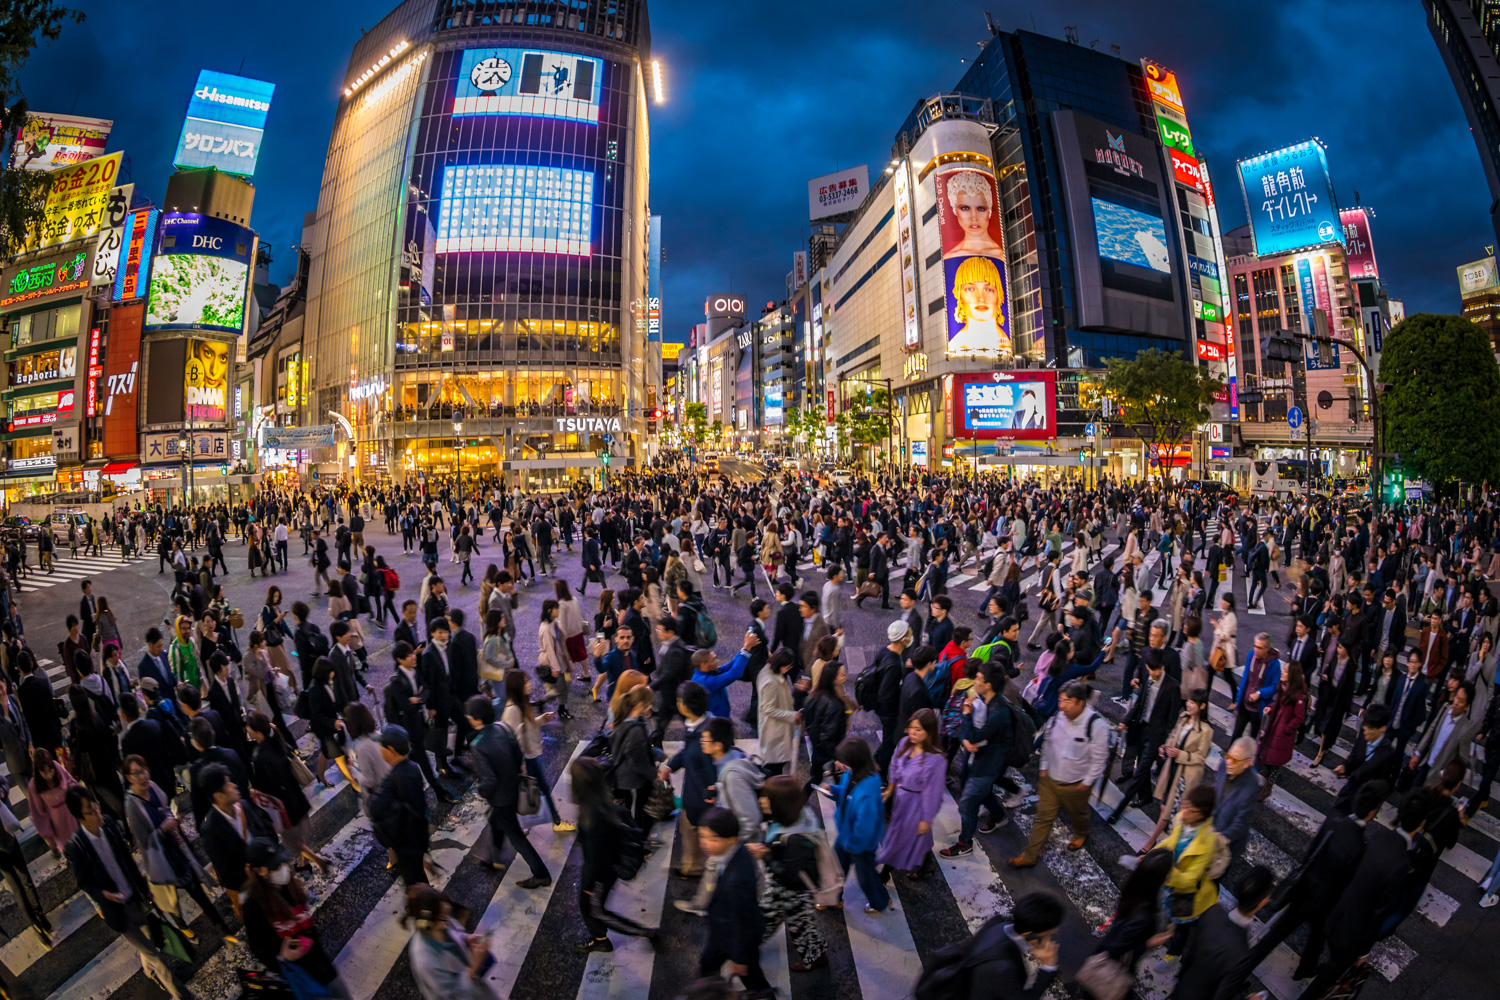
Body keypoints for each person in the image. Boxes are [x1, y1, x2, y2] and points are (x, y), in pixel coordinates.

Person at [1296, 789, 1430, 1000]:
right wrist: (1364, 952)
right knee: (1325, 982)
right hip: (1352, 933)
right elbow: (1380, 912)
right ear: (1422, 822)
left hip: (1337, 913)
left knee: (1327, 970)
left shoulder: (1380, 836)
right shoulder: (1402, 864)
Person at [65, 785, 192, 999]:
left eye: (95, 805)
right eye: (90, 810)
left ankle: (148, 970)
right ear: (79, 817)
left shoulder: (110, 826)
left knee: (150, 944)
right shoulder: (78, 846)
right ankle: (183, 996)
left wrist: (144, 889)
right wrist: (102, 895)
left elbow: (128, 861)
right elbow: (84, 882)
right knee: (156, 956)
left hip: (134, 899)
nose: (97, 811)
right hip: (118, 912)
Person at [1249, 782, 1383, 977]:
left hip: (1307, 887)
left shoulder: (1336, 822)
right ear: (1372, 812)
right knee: (1316, 939)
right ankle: (1305, 969)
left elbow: (1313, 852)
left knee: (1277, 933)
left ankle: (1247, 965)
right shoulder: (1360, 846)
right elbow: (1347, 883)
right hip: (1325, 903)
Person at [122, 754, 234, 941]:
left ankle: (224, 931)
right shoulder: (132, 806)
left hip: (177, 850)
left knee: (196, 888)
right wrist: (163, 829)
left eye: (144, 770)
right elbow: (145, 843)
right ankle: (181, 925)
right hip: (160, 860)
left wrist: (171, 820)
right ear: (128, 777)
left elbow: (165, 809)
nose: (142, 776)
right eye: (136, 773)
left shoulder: (154, 787)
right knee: (171, 900)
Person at [241, 838, 354, 1000]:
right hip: (302, 978)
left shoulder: (290, 886)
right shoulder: (253, 906)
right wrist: (281, 957)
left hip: (323, 966)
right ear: (260, 871)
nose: (283, 869)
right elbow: (258, 947)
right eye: (274, 867)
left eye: (281, 863)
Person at [1011, 681, 1108, 867]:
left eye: (1067, 701)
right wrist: (1044, 766)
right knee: (1043, 818)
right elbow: (1047, 742)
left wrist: (1087, 782)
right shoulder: (1057, 718)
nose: (1061, 705)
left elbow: (1099, 758)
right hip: (1050, 781)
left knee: (1078, 813)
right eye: (1060, 700)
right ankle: (1030, 856)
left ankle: (1081, 832)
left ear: (1080, 703)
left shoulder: (1095, 725)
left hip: (1076, 784)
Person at [571, 756, 659, 953]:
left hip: (599, 875)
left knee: (595, 909)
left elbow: (595, 859)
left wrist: (590, 886)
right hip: (606, 868)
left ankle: (637, 933)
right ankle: (601, 936)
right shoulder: (603, 802)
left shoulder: (592, 818)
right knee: (593, 908)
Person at [467, 695, 553, 888]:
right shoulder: (503, 727)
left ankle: (541, 874)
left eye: (469, 716)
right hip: (515, 787)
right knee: (495, 821)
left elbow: (488, 780)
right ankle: (492, 858)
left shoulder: (477, 745)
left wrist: (481, 791)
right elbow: (516, 755)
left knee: (516, 837)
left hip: (501, 798)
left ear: (477, 719)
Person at [748, 775, 829, 972]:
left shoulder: (796, 840)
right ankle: (816, 954)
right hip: (786, 890)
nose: (760, 801)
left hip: (790, 893)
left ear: (778, 803)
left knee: (793, 926)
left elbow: (791, 876)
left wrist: (766, 855)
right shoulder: (795, 817)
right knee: (800, 925)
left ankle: (744, 949)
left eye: (765, 798)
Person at [698, 805, 771, 998]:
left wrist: (739, 958)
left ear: (731, 838)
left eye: (713, 838)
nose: (705, 843)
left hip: (734, 936)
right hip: (723, 931)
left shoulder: (736, 881)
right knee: (707, 966)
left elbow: (743, 921)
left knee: (751, 976)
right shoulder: (738, 850)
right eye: (702, 836)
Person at [1169, 866, 1274, 1000]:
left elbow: (1190, 956)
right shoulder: (1242, 954)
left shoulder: (1213, 912)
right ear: (1264, 900)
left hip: (1181, 990)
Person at [940, 664, 1012, 858]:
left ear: (988, 684)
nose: (975, 681)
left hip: (987, 765)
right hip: (975, 758)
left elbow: (974, 736)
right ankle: (998, 815)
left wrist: (966, 716)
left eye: (979, 678)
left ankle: (964, 844)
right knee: (974, 789)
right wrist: (966, 737)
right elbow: (968, 736)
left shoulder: (999, 712)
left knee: (967, 805)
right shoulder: (983, 701)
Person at [247, 712, 329, 872]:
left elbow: (265, 788)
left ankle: (318, 860)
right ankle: (303, 862)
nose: (247, 730)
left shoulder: (260, 758)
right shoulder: (276, 742)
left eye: (249, 727)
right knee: (298, 837)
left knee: (292, 842)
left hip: (284, 808)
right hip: (296, 798)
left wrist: (254, 793)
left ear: (257, 732)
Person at [1140, 689, 1215, 852]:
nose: (1188, 704)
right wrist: (1166, 747)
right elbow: (1173, 735)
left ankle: (1152, 842)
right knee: (1165, 806)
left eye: (1193, 702)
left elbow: (1201, 757)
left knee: (1168, 809)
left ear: (1202, 706)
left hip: (1185, 775)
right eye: (1188, 700)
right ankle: (1172, 836)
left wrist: (1180, 754)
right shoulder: (1183, 718)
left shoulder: (1206, 731)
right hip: (1172, 768)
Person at [1089, 849, 1172, 992]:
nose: (1172, 873)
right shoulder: (1145, 916)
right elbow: (1117, 949)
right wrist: (1150, 943)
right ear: (1161, 878)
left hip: (1106, 955)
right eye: (1170, 870)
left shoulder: (1134, 888)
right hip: (1110, 973)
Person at [878, 709, 947, 878]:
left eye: (918, 729)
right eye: (911, 727)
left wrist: (926, 819)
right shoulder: (904, 743)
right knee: (917, 837)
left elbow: (933, 793)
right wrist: (889, 790)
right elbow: (894, 766)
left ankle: (885, 873)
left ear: (929, 732)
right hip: (901, 800)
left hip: (917, 804)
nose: (912, 733)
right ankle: (926, 864)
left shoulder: (936, 759)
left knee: (897, 839)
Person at [500, 672, 573, 831]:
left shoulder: (521, 704)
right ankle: (521, 824)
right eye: (526, 682)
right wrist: (522, 768)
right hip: (525, 759)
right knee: (524, 792)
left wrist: (541, 720)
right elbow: (515, 741)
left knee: (543, 788)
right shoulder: (512, 710)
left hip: (530, 755)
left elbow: (527, 727)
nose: (530, 684)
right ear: (516, 686)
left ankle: (557, 822)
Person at [1158, 783, 1221, 964]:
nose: (1184, 811)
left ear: (1201, 814)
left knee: (1181, 926)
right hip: (1172, 886)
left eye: (1190, 810)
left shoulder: (1208, 840)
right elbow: (1170, 842)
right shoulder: (1181, 820)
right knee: (1171, 916)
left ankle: (1175, 953)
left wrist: (1167, 874)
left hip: (1188, 895)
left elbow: (1191, 879)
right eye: (1185, 805)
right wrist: (1153, 855)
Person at [958, 892, 1062, 1000]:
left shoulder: (997, 923)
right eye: (1048, 933)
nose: (1054, 932)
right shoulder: (1004, 970)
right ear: (1028, 934)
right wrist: (1048, 966)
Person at [825, 736, 889, 913]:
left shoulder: (867, 792)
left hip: (859, 845)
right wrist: (833, 791)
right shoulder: (850, 774)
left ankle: (880, 902)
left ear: (854, 761)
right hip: (847, 835)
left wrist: (852, 845)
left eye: (842, 761)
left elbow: (865, 829)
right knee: (837, 868)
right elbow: (846, 794)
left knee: (866, 876)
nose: (838, 764)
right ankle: (833, 898)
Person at [404, 883, 498, 1000]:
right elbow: (451, 995)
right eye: (443, 917)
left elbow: (454, 933)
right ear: (429, 923)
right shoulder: (424, 960)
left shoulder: (440, 923)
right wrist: (474, 968)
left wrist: (465, 938)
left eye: (448, 912)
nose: (448, 920)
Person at [370, 725, 433, 886]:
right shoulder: (413, 768)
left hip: (405, 843)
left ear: (391, 749)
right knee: (418, 875)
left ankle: (430, 906)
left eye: (382, 747)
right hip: (418, 837)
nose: (380, 750)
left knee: (414, 882)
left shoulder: (393, 780)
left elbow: (375, 810)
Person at [1332, 702, 1399, 813]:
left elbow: (1382, 786)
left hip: (1362, 805)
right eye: (1365, 726)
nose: (1366, 732)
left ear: (1382, 728)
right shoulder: (1364, 736)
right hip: (1346, 795)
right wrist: (1345, 767)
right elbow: (1353, 757)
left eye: (1371, 728)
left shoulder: (1388, 755)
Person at [1256, 663, 1308, 800]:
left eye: (1286, 670)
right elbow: (1278, 703)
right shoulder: (1283, 687)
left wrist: (1287, 728)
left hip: (1282, 733)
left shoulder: (1298, 696)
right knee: (1268, 757)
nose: (1283, 672)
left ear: (1293, 675)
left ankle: (1268, 787)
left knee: (1275, 763)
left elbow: (1299, 717)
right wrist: (1271, 708)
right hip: (1274, 726)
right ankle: (1265, 781)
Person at [27, 748, 79, 859]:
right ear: (37, 771)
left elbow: (70, 781)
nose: (49, 775)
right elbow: (39, 814)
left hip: (72, 814)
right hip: (58, 825)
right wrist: (50, 839)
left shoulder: (57, 767)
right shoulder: (34, 786)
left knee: (81, 842)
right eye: (44, 772)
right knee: (71, 851)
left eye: (50, 770)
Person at [756, 648, 800, 776]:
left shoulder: (768, 671)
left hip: (777, 727)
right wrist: (793, 715)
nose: (788, 669)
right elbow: (769, 709)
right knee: (775, 765)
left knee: (776, 764)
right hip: (775, 730)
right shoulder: (770, 682)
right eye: (788, 666)